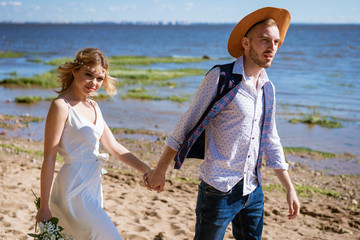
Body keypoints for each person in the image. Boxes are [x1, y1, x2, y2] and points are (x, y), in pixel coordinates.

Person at [145, 7, 300, 240]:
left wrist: (289, 187)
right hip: (218, 189)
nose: (271, 48)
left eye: (276, 42)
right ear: (246, 43)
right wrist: (160, 170)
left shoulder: (269, 88)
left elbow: (271, 139)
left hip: (253, 190)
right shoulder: (221, 78)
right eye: (264, 40)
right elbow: (186, 123)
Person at [35, 47, 151, 239]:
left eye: (99, 78)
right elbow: (49, 158)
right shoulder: (61, 106)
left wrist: (146, 169)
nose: (94, 83)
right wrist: (44, 206)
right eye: (88, 75)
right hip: (72, 187)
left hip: (93, 183)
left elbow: (114, 147)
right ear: (75, 71)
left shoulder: (94, 106)